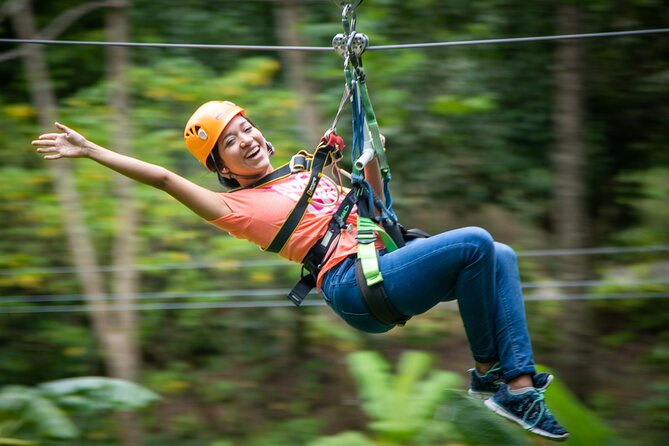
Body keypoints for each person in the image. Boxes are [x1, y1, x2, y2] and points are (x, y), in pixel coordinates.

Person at [33, 100, 569, 441]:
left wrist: (368, 162)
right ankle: (512, 386)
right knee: (476, 241)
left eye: (247, 128)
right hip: (354, 288)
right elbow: (165, 179)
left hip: (380, 263)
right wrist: (92, 150)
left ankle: (493, 379)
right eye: (230, 142)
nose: (247, 139)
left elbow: (380, 211)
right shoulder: (236, 211)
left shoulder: (303, 172)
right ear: (220, 167)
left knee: (499, 255)